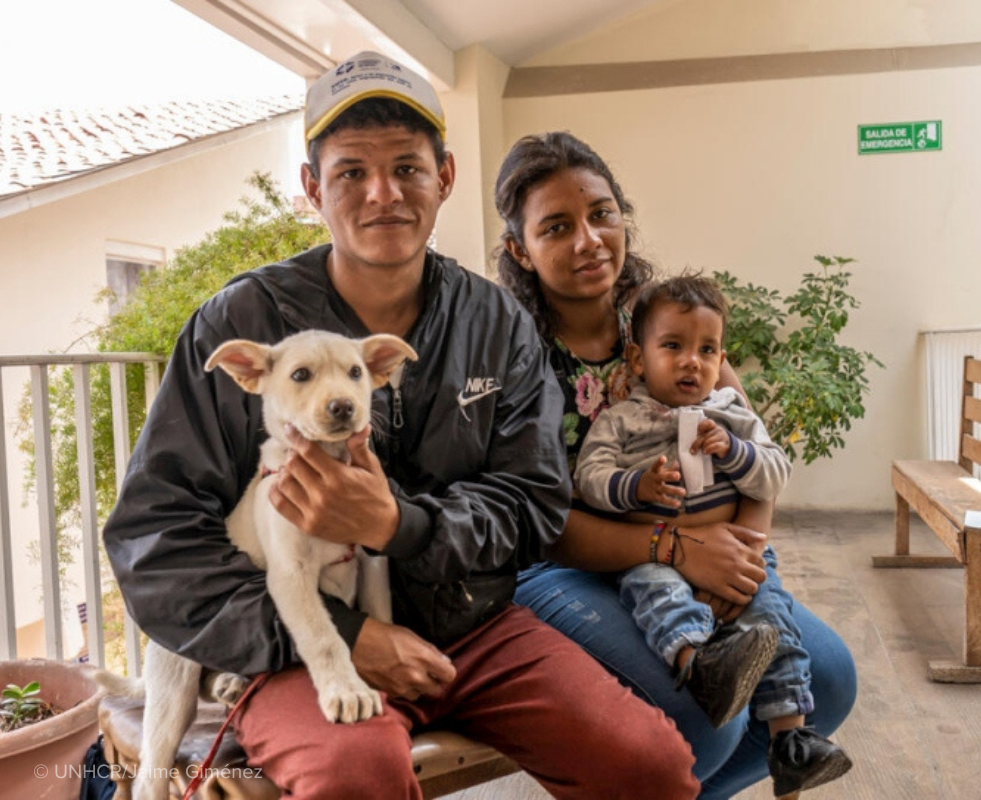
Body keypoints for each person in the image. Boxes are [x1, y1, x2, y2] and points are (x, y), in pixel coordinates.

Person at [103, 52, 699, 799]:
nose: (383, 194)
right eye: (351, 172)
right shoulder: (240, 323)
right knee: (356, 775)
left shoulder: (495, 323)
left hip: (471, 627)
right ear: (313, 189)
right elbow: (153, 539)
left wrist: (402, 524)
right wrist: (347, 636)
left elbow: (534, 502)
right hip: (298, 641)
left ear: (444, 178)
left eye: (408, 169)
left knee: (650, 766)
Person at [495, 130, 858, 799]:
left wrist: (742, 551)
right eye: (557, 226)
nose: (589, 240)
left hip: (707, 541)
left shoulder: (668, 318)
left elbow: (746, 428)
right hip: (570, 563)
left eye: (602, 214)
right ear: (520, 248)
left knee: (830, 680)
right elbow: (537, 524)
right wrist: (678, 549)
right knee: (704, 717)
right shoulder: (512, 356)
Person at [573, 273, 853, 796]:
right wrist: (637, 486)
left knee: (770, 616)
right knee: (656, 593)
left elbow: (774, 472)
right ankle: (697, 663)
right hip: (652, 554)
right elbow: (589, 479)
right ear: (637, 360)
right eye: (672, 346)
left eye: (707, 350)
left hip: (734, 552)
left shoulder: (731, 415)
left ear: (721, 358)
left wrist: (735, 451)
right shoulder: (622, 420)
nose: (691, 361)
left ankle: (791, 740)